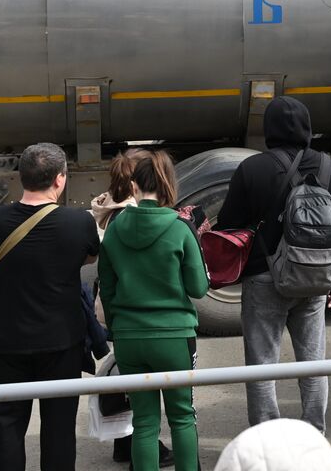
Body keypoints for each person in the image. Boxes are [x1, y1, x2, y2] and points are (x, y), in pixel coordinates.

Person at [216, 96, 331, 432]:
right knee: (313, 364)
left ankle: (267, 435)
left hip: (265, 278)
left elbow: (229, 226)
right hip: (315, 278)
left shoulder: (252, 168)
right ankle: (313, 432)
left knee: (262, 365)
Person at [0, 142, 100, 471]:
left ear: (21, 177)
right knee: (59, 428)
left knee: (6, 424)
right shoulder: (78, 223)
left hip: (7, 340)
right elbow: (89, 256)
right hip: (61, 341)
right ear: (60, 180)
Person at [99, 149, 208, 470]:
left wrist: (118, 327)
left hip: (129, 337)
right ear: (167, 186)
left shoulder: (115, 228)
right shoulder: (179, 228)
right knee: (182, 419)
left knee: (144, 422)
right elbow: (199, 287)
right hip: (174, 335)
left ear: (134, 187)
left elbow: (107, 287)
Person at [90, 149, 174, 467]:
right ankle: (138, 444)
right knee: (139, 385)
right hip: (133, 310)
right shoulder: (133, 215)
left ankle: (125, 442)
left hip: (115, 308)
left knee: (129, 377)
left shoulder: (113, 208)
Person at [213, 418, 331, 471]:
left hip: (254, 445)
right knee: (313, 370)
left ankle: (264, 422)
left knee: (262, 371)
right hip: (310, 441)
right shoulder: (316, 444)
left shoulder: (237, 451)